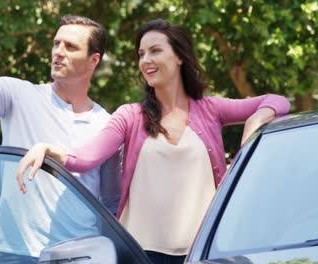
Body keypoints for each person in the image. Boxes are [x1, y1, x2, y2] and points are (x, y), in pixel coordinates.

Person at [17, 18, 291, 264]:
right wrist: (46, 148)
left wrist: (254, 124)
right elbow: (84, 159)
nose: (146, 59)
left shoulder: (210, 109)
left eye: (155, 51)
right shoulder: (130, 116)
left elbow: (277, 101)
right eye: (141, 54)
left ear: (179, 57)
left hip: (202, 253)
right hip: (140, 255)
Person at [0, 15, 121, 258]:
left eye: (70, 46)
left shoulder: (106, 125)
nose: (58, 52)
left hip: (83, 256)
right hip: (16, 253)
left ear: (94, 60)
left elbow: (111, 203)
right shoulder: (20, 96)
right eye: (56, 43)